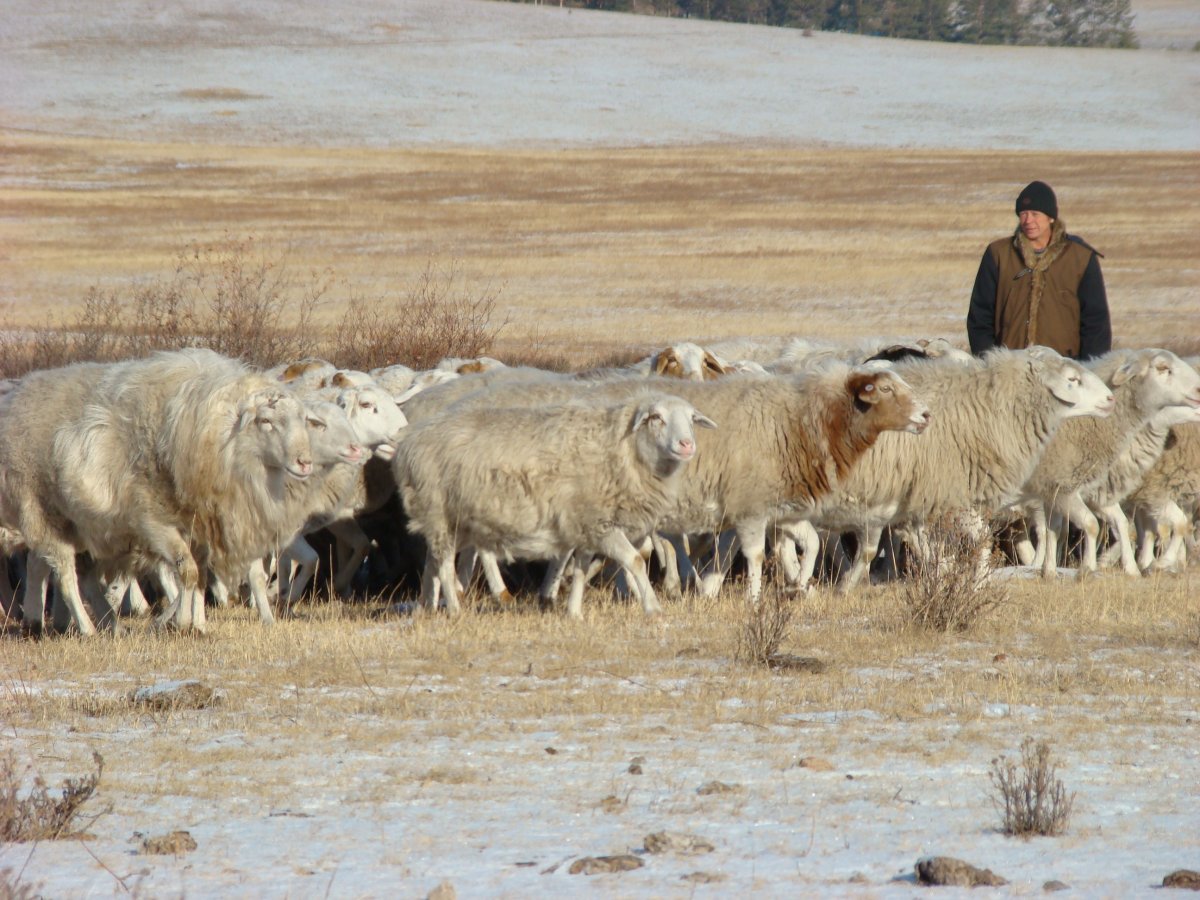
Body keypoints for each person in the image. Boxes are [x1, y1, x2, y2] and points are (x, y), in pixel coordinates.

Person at [966, 180, 1111, 361]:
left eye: (1035, 214)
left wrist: (1090, 368)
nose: (1028, 220)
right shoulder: (998, 254)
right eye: (1023, 214)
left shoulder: (1081, 258)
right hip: (1010, 367)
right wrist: (989, 361)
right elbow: (980, 316)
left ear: (1051, 217)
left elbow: (1096, 322)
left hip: (1065, 368)